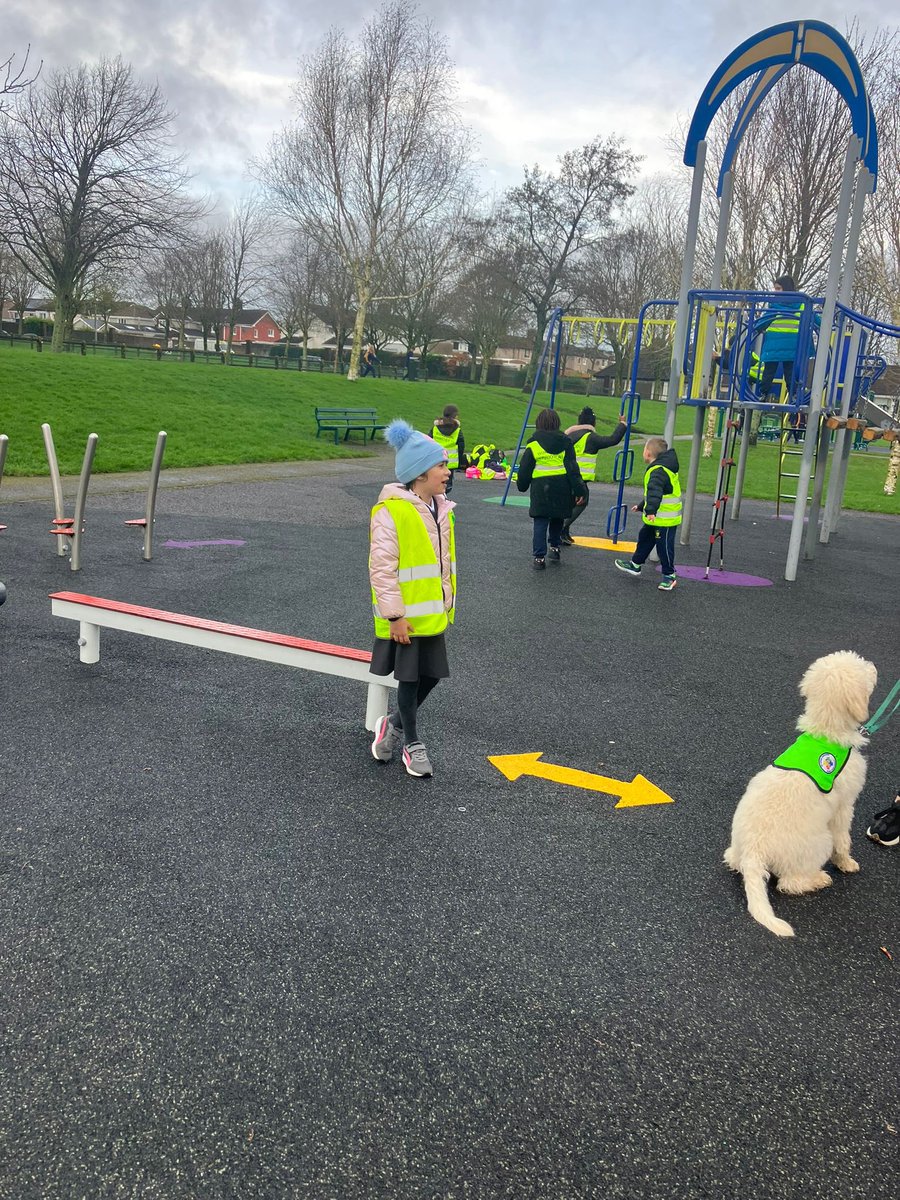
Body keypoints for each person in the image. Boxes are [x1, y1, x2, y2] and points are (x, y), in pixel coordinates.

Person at [368, 419, 455, 779]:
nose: (448, 472)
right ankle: (412, 744)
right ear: (419, 473)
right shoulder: (392, 511)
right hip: (404, 616)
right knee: (409, 678)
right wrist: (394, 616)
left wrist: (447, 600)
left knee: (431, 675)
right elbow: (382, 569)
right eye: (441, 466)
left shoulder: (441, 508)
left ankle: (391, 724)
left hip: (433, 612)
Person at [515, 407, 586, 570]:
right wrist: (580, 490)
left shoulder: (533, 444)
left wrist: (522, 485)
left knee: (540, 521)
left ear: (539, 423)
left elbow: (525, 467)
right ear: (557, 423)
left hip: (541, 488)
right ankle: (554, 547)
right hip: (562, 486)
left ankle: (539, 558)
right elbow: (572, 468)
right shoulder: (566, 442)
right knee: (557, 518)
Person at [613, 436, 682, 591]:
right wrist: (642, 506)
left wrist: (650, 510)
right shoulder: (661, 468)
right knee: (645, 538)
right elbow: (653, 494)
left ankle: (669, 576)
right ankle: (636, 564)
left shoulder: (658, 471)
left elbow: (655, 492)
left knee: (664, 547)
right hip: (657, 518)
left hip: (665, 520)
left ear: (649, 453)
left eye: (644, 449)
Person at [560, 406, 628, 544]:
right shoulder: (590, 437)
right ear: (593, 423)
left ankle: (564, 532)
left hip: (564, 475)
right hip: (579, 478)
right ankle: (561, 528)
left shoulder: (568, 434)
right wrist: (622, 424)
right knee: (582, 502)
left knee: (570, 504)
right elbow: (612, 440)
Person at [431, 404, 466, 496]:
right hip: (450, 461)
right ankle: (443, 500)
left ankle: (436, 499)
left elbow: (428, 441)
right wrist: (460, 458)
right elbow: (461, 445)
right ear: (455, 416)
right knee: (447, 484)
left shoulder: (435, 428)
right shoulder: (457, 430)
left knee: (435, 481)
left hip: (436, 460)